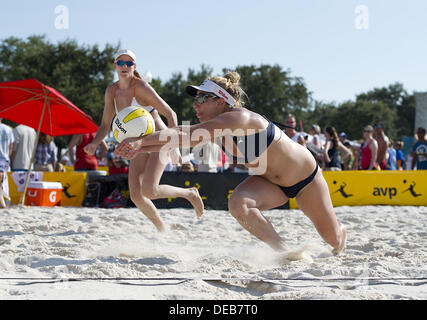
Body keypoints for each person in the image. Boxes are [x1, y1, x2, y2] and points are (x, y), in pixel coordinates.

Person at [115, 71, 347, 256]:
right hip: (269, 183)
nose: (196, 105)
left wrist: (140, 142)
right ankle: (285, 252)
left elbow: (187, 134)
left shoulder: (239, 118)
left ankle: (340, 232)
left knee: (333, 240)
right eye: (196, 99)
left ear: (220, 101)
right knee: (238, 205)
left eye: (202, 98)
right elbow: (175, 141)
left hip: (306, 180)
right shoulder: (217, 128)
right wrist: (138, 146)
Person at [84, 49, 204, 231]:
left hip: (159, 141)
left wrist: (175, 147)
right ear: (115, 65)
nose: (125, 66)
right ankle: (162, 228)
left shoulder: (140, 87)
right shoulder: (111, 91)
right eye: (121, 63)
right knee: (136, 196)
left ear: (134, 66)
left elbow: (171, 114)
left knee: (149, 190)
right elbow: (105, 124)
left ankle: (190, 194)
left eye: (129, 63)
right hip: (137, 145)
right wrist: (94, 143)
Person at [0, 118, 14, 208]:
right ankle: (2, 204)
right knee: (1, 182)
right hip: (5, 160)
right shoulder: (8, 129)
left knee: (1, 183)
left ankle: (2, 204)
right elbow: (11, 147)